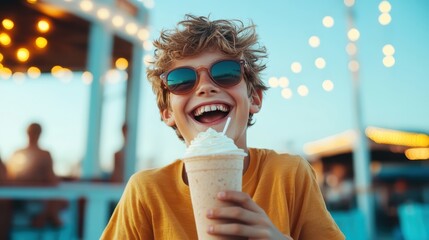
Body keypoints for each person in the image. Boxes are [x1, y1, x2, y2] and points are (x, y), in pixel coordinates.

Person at [101, 15, 344, 239]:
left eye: (226, 72)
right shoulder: (146, 191)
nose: (205, 87)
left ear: (255, 99)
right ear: (167, 113)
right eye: (182, 80)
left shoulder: (288, 174)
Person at [6, 122, 67, 228]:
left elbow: (52, 180)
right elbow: (9, 176)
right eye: (32, 132)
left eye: (35, 132)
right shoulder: (19, 153)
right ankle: (47, 217)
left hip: (37, 197)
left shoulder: (44, 154)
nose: (33, 135)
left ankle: (46, 217)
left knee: (61, 201)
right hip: (21, 197)